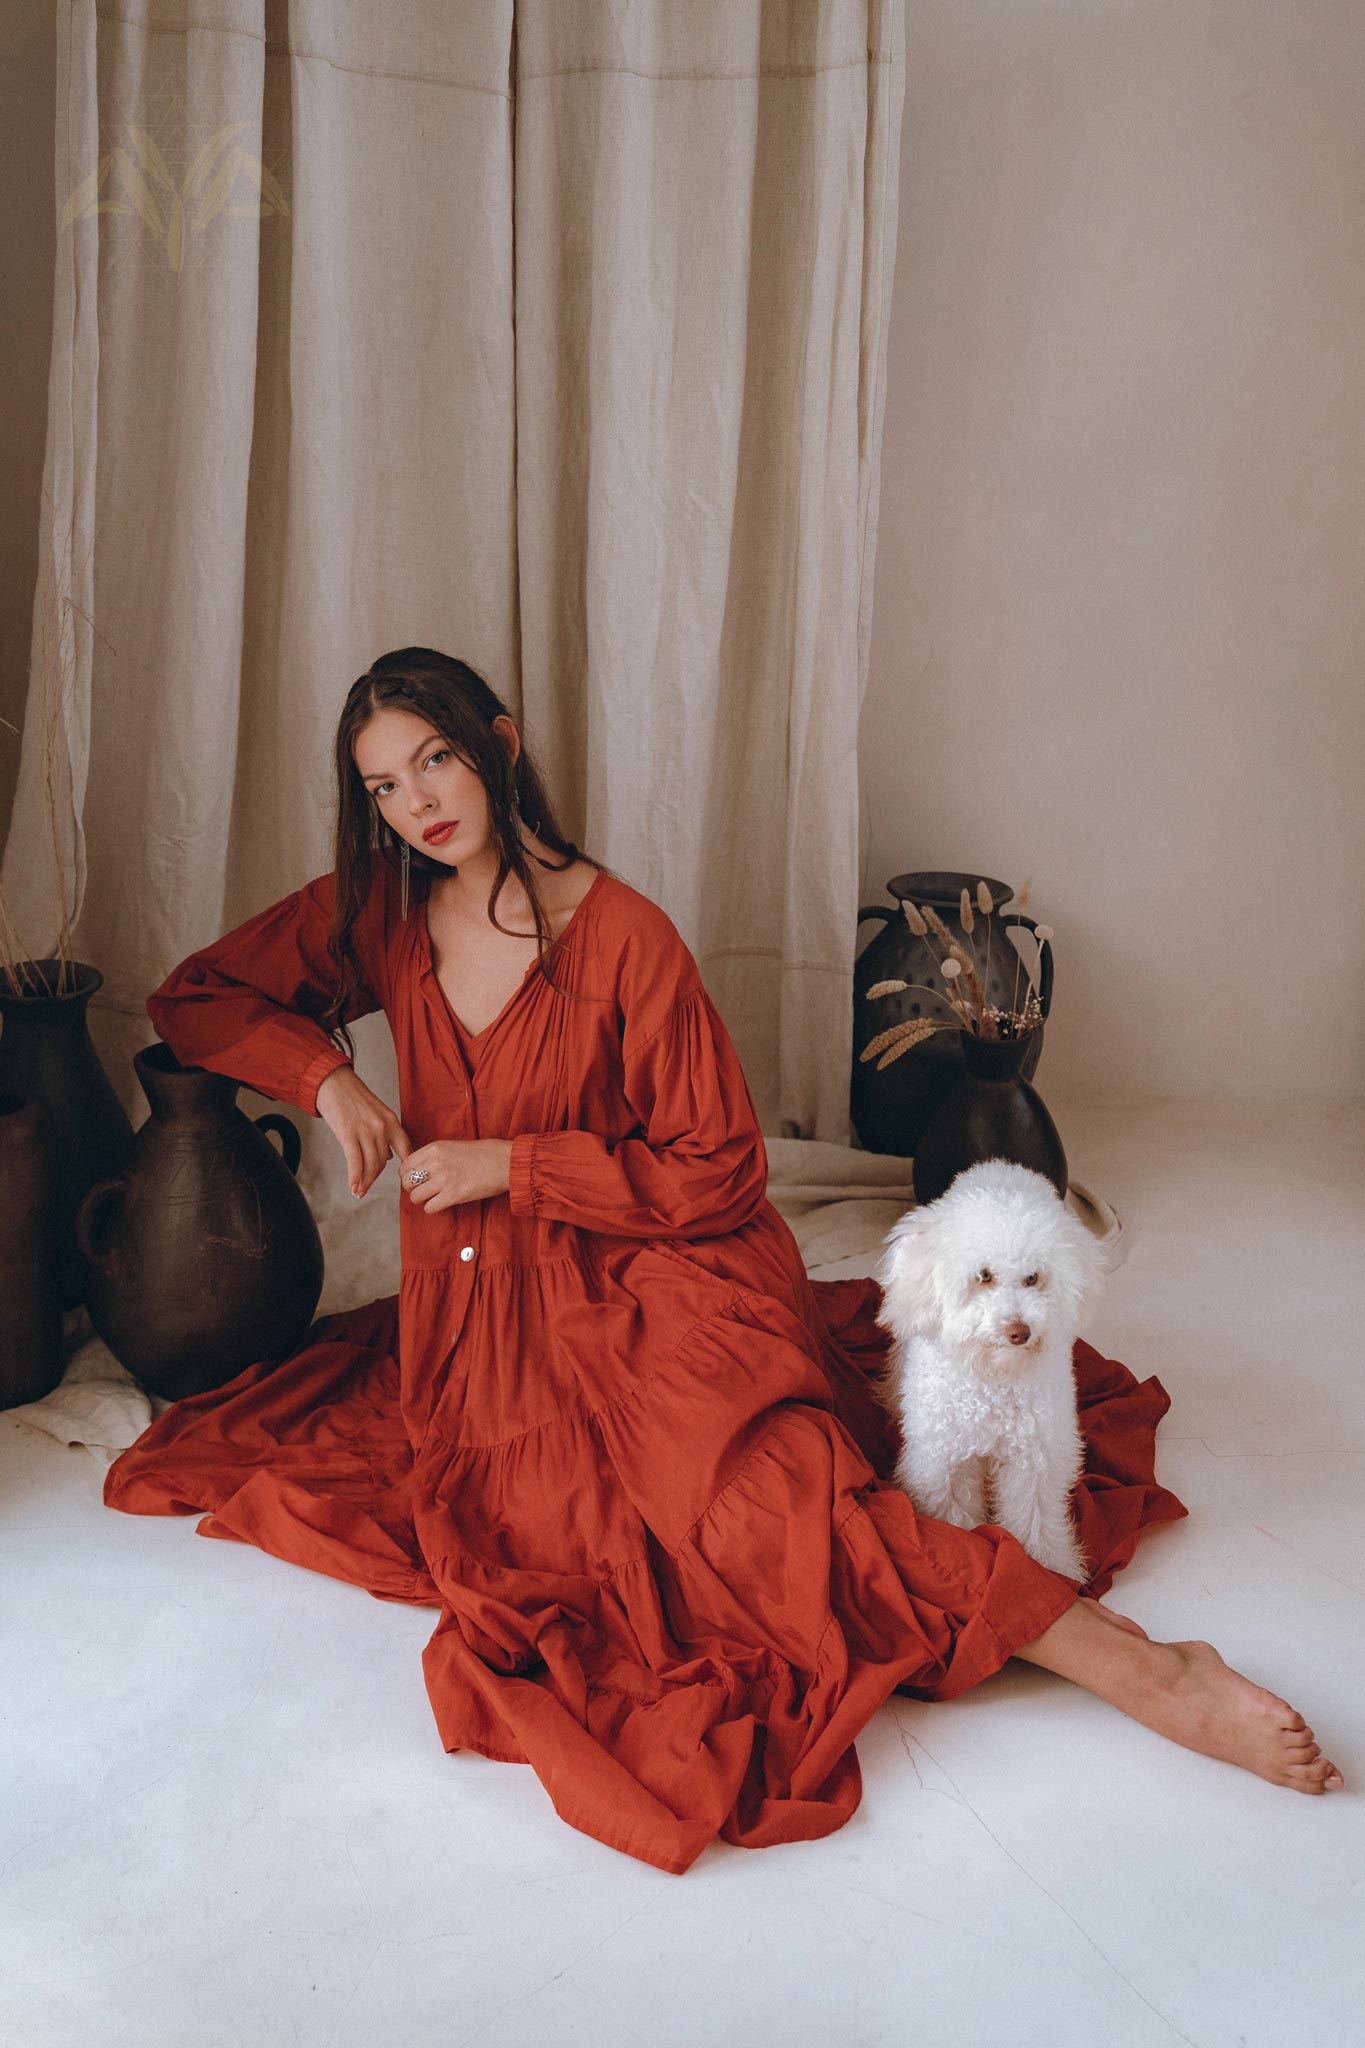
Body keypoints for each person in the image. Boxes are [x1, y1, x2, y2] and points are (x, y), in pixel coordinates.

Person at [104, 648, 1343, 1874]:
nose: (418, 802)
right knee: (587, 1525)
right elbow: (194, 998)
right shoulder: (376, 912)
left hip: (655, 1265)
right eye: (382, 784)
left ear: (502, 744)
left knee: (782, 1494)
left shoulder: (623, 933)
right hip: (485, 1322)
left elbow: (719, 1171)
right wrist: (326, 1080)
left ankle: (1148, 1669)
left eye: (436, 759)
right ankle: (1107, 1655)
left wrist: (510, 1165)